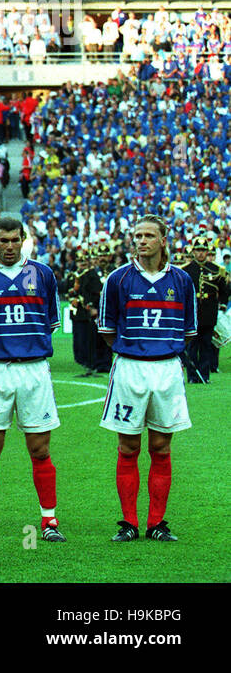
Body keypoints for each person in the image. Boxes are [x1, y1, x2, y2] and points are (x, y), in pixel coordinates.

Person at [0, 215, 64, 543]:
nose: (9, 246)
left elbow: (50, 321)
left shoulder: (43, 274)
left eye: (15, 239)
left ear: (24, 240)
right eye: (2, 240)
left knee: (40, 449)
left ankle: (49, 521)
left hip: (34, 370)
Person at [99, 215, 197, 542]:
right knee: (128, 446)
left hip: (167, 369)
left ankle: (156, 523)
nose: (142, 241)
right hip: (130, 368)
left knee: (161, 446)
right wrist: (135, 350)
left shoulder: (181, 280)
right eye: (137, 235)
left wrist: (161, 350)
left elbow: (189, 331)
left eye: (149, 235)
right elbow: (108, 330)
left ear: (163, 240)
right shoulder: (118, 279)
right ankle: (129, 523)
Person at [180, 233, 230, 383]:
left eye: (203, 250)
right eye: (198, 250)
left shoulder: (217, 270)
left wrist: (222, 304)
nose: (200, 253)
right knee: (192, 346)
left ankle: (205, 376)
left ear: (207, 252)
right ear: (193, 252)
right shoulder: (185, 270)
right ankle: (193, 377)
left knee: (207, 346)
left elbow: (224, 289)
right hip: (191, 314)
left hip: (209, 314)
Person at [68, 245, 103, 377]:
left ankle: (92, 365)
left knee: (90, 340)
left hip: (89, 314)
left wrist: (93, 306)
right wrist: (72, 298)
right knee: (79, 341)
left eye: (84, 262)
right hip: (77, 314)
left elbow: (96, 292)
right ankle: (83, 362)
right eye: (79, 262)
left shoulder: (91, 274)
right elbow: (69, 290)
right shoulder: (73, 275)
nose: (82, 264)